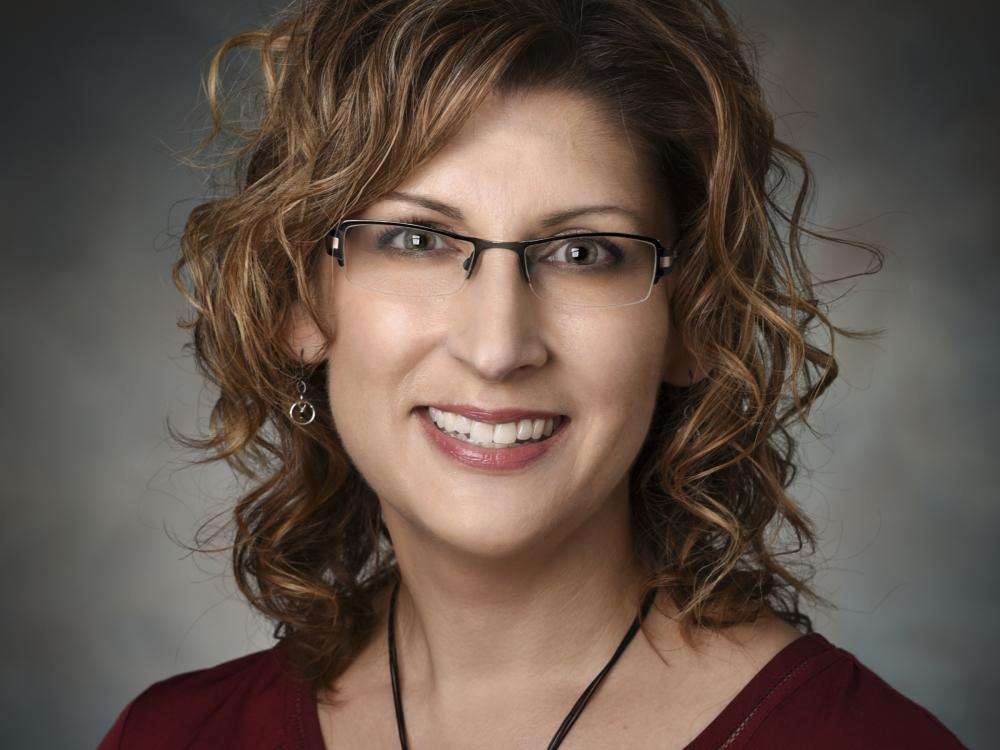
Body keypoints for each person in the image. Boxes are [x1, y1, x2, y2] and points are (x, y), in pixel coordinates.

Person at [98, 1, 966, 748]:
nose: (499, 345)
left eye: (585, 252)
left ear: (692, 322)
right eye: (417, 239)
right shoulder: (171, 736)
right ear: (302, 302)